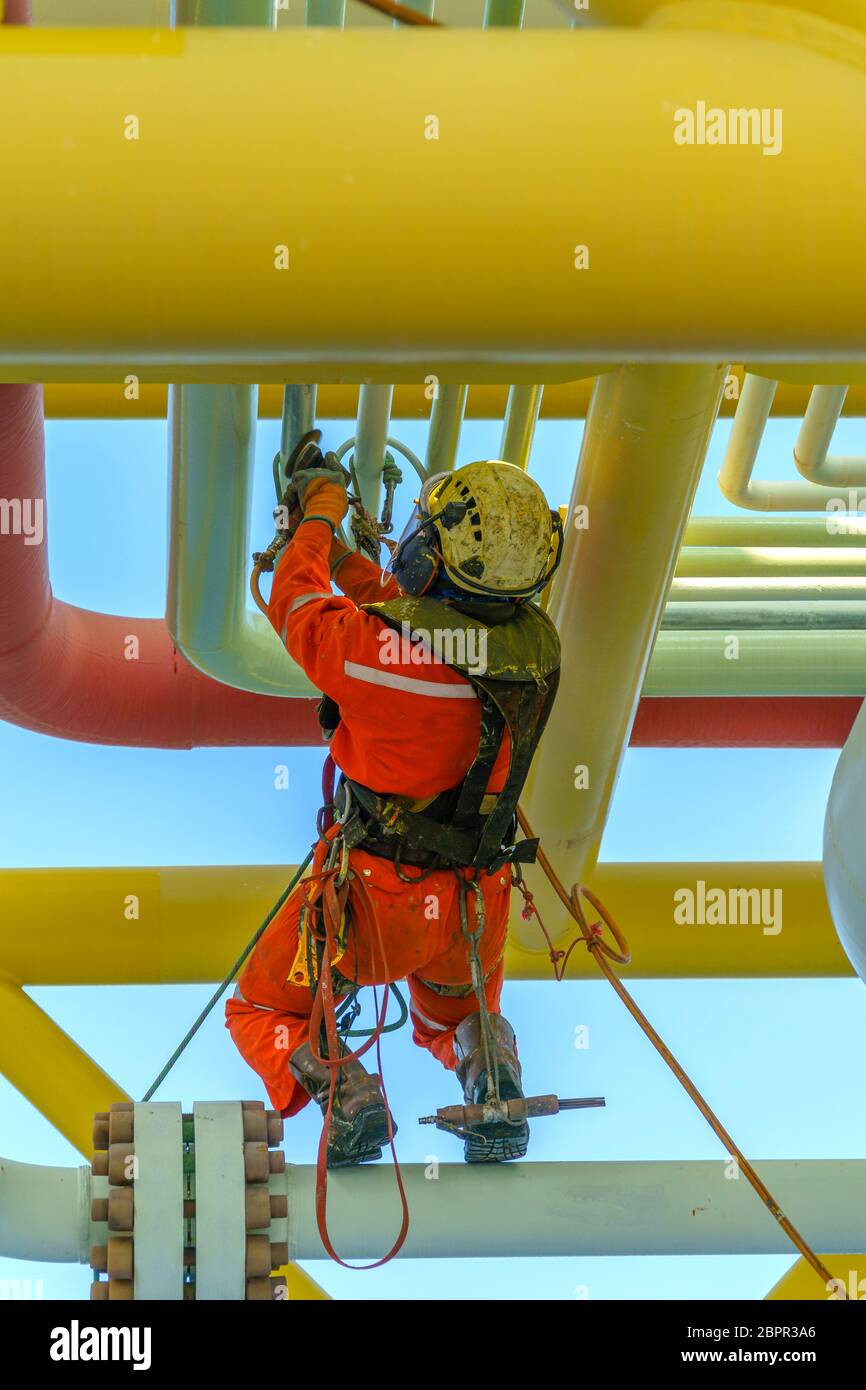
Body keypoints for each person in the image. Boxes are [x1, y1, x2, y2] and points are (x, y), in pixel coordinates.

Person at [226, 448, 562, 1165]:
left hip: (378, 898)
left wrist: (319, 510)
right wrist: (345, 557)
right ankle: (491, 1079)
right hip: (475, 900)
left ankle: (347, 1094)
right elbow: (415, 622)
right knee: (460, 1016)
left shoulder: (370, 654)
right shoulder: (530, 656)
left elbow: (292, 598)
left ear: (435, 554)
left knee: (259, 1006)